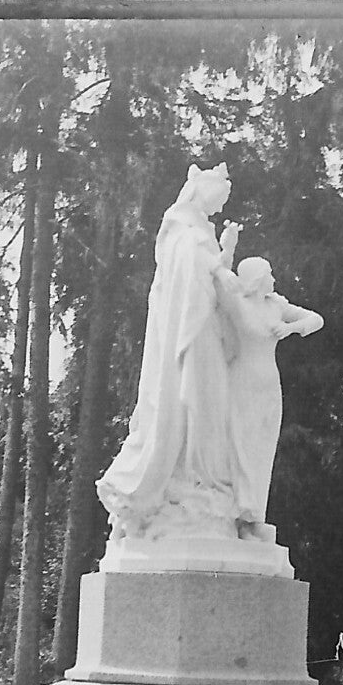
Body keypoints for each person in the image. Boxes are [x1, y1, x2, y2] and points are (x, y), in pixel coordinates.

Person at [96, 162, 240, 542]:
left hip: (203, 325)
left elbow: (213, 278)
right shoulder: (180, 226)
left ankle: (202, 482)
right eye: (218, 197)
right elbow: (188, 275)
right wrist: (216, 264)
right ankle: (183, 482)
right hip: (188, 328)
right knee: (189, 401)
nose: (220, 206)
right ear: (200, 190)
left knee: (210, 405)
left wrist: (225, 254)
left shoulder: (200, 230)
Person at [212, 255, 323, 542]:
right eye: (269, 274)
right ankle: (239, 514)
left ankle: (254, 517)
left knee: (262, 450)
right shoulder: (238, 303)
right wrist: (228, 247)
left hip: (269, 384)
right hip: (242, 380)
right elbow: (216, 276)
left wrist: (291, 328)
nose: (273, 279)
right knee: (242, 447)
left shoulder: (276, 304)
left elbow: (316, 319)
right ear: (257, 278)